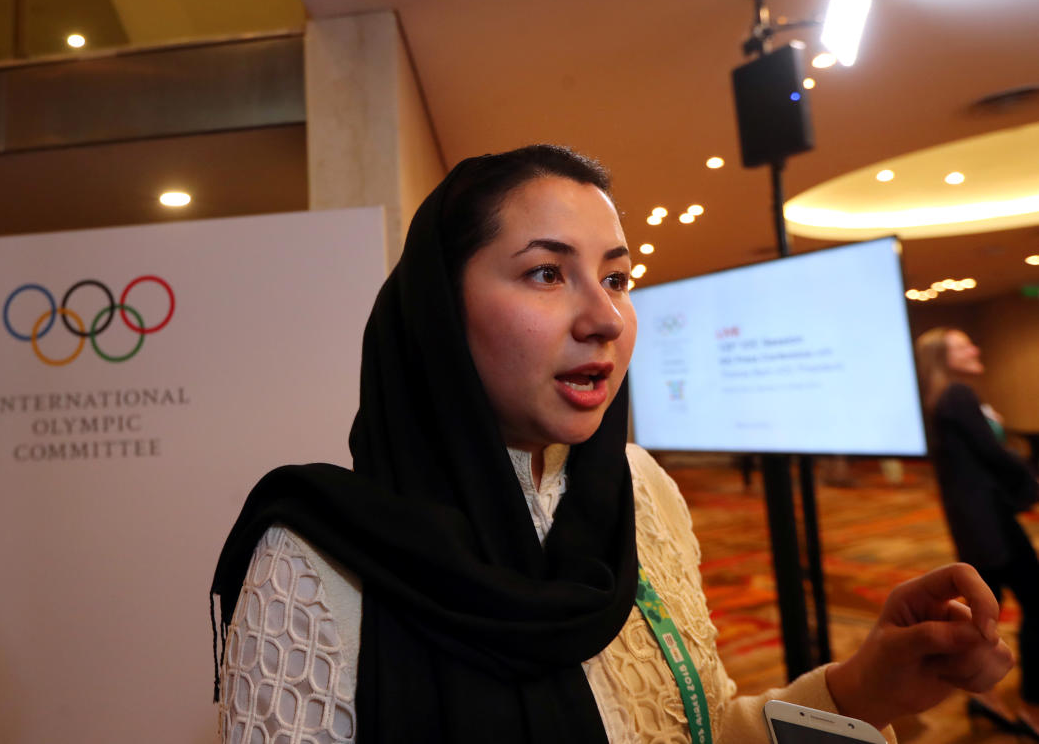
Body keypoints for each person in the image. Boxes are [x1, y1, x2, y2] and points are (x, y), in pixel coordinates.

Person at [211, 146, 1013, 744]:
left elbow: (692, 728)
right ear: (437, 315)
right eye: (546, 274)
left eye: (618, 278)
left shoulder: (640, 488)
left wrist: (860, 687)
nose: (606, 317)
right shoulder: (314, 563)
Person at [916, 327, 1039, 738]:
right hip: (991, 523)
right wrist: (1030, 485)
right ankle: (1031, 705)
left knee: (985, 613)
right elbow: (991, 455)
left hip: (976, 522)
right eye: (963, 344)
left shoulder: (943, 399)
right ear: (943, 357)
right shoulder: (958, 396)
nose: (975, 347)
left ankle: (983, 694)